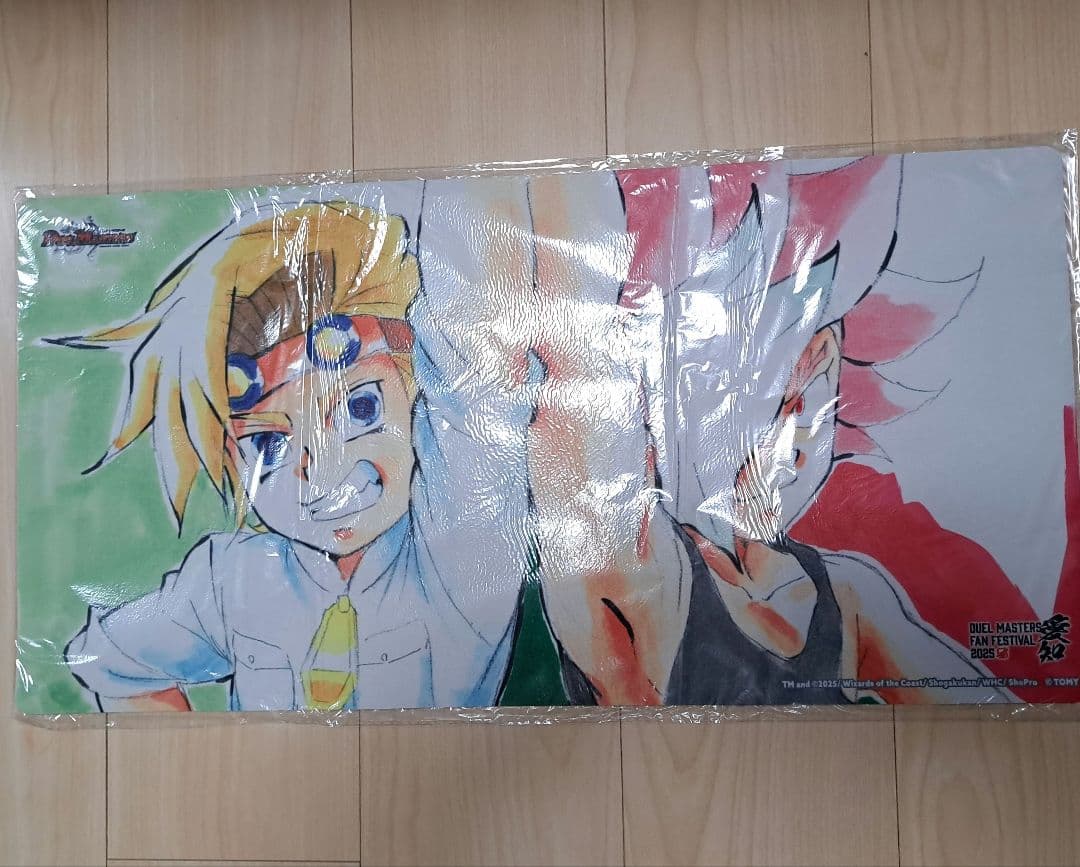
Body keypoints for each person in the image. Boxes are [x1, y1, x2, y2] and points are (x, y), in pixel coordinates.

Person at [529, 158, 1009, 705]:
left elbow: (984, 706)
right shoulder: (647, 580)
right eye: (761, 390)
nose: (796, 431)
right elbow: (571, 363)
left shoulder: (846, 598)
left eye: (818, 375)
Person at [61, 186, 533, 712]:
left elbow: (476, 373)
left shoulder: (457, 550)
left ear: (416, 390)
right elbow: (110, 662)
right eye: (269, 444)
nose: (320, 473)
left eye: (360, 409)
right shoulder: (231, 578)